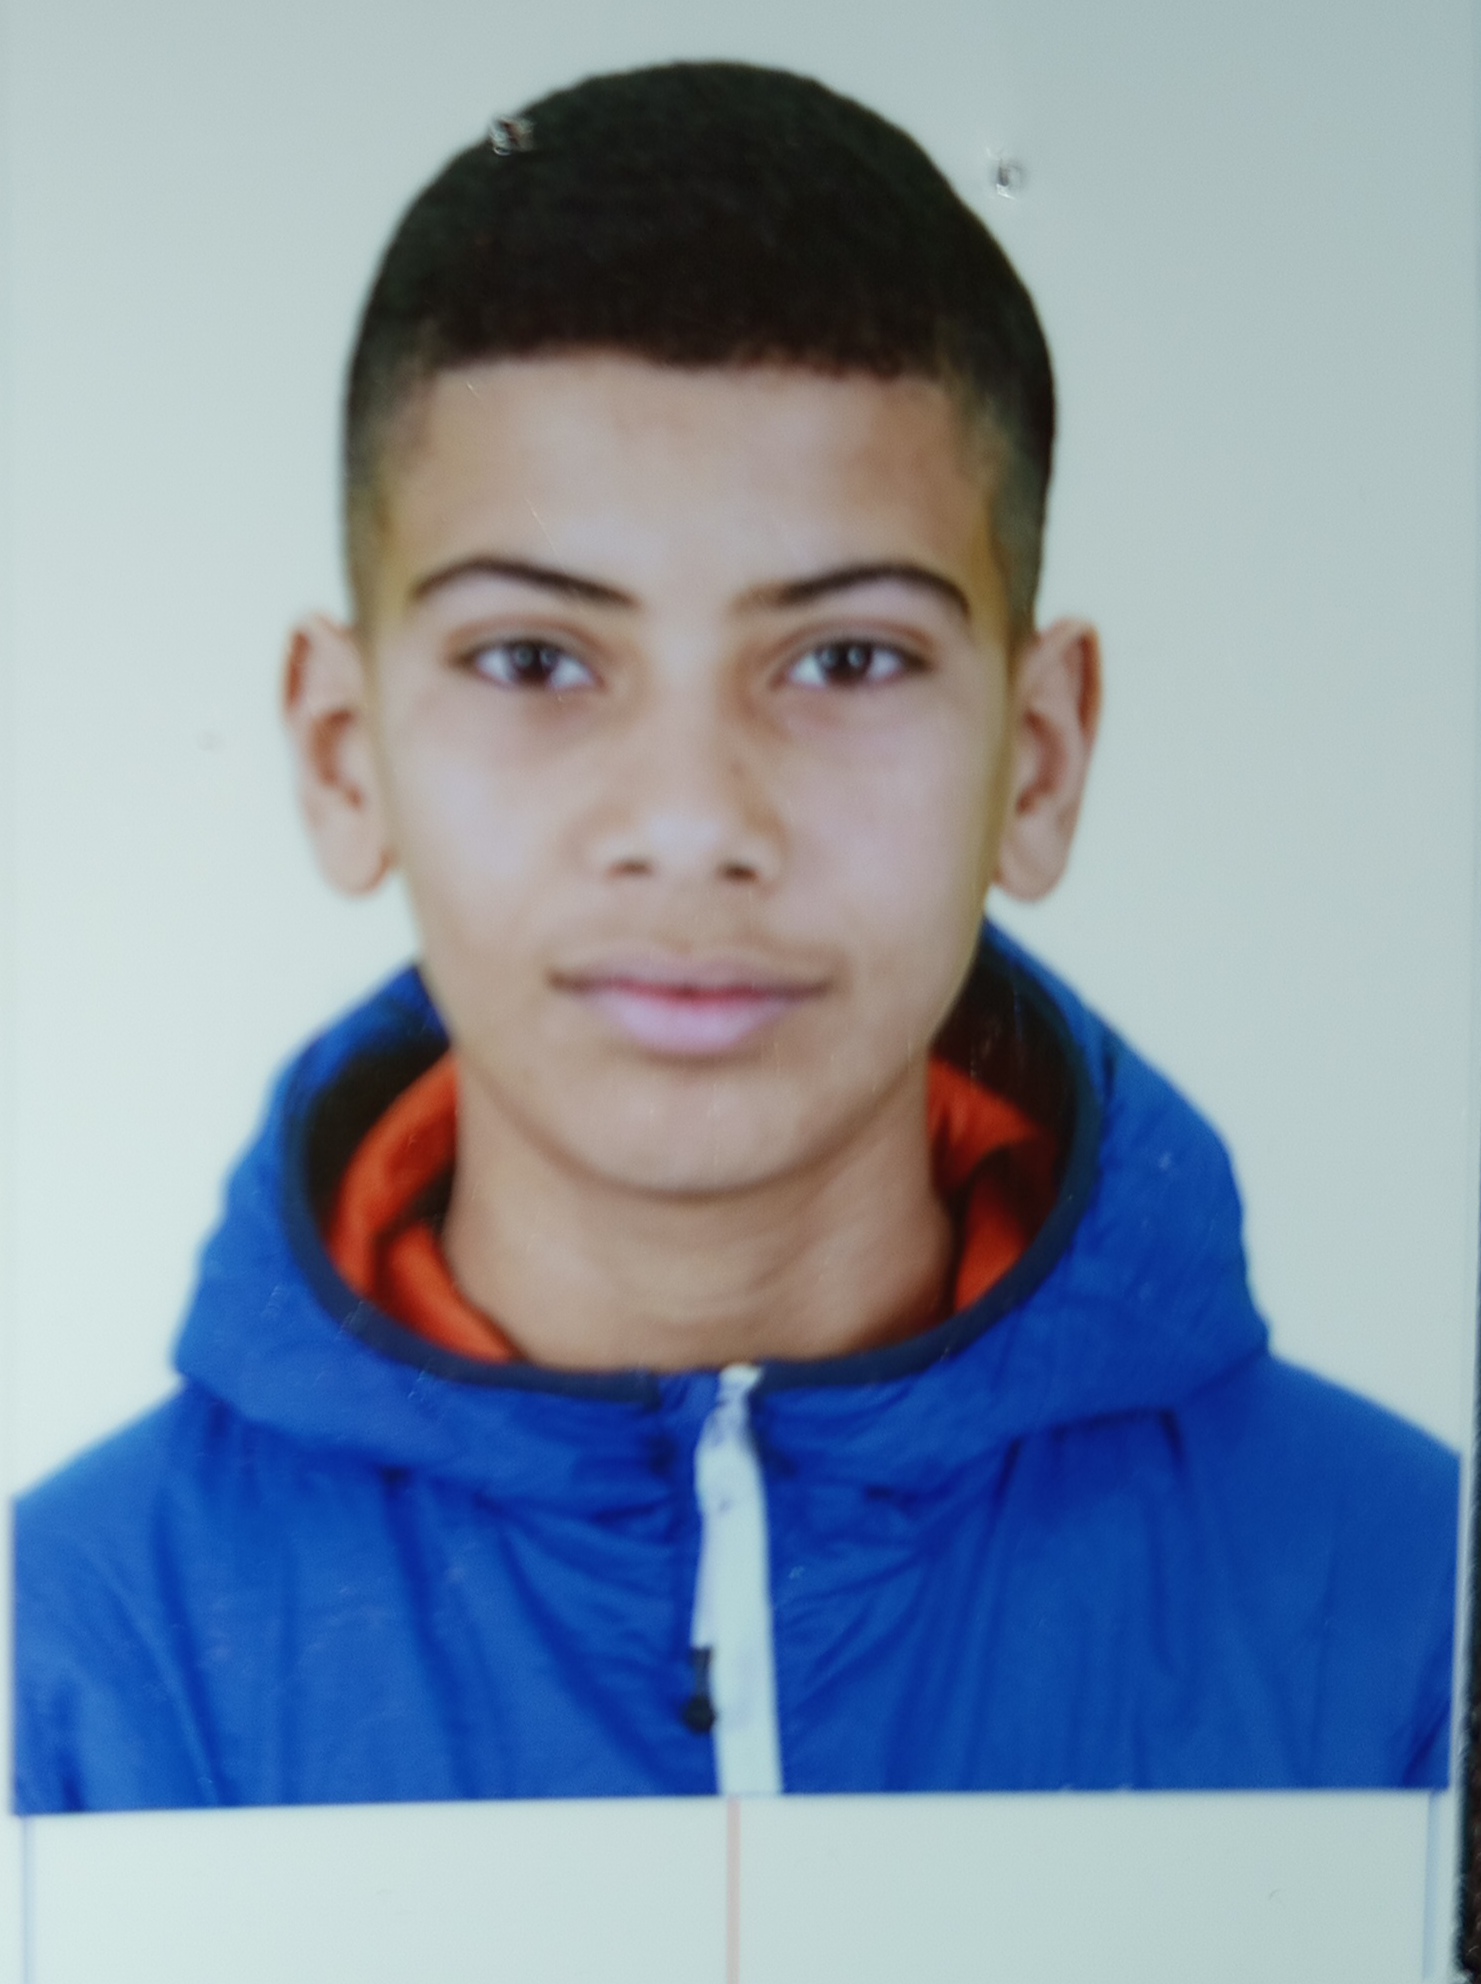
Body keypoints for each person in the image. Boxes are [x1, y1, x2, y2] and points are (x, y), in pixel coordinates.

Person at [14, 60, 1458, 1812]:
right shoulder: (61, 1681)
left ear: (1039, 755)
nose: (694, 817)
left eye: (845, 659)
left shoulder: (1417, 1632)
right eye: (535, 659)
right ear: (342, 753)